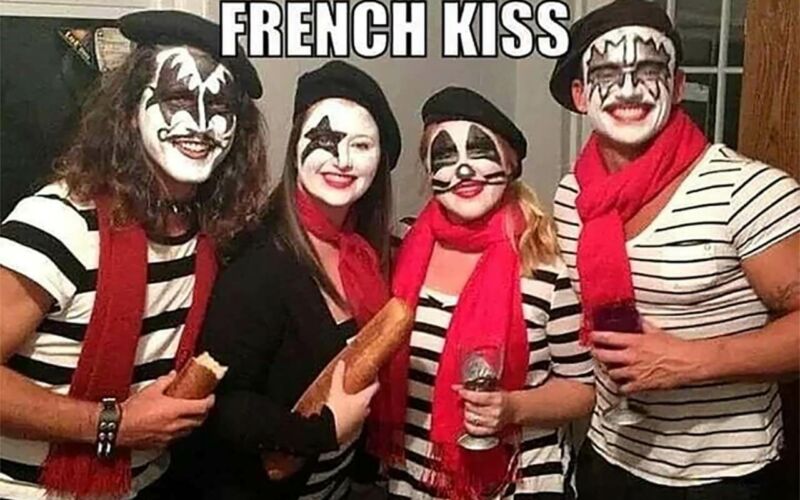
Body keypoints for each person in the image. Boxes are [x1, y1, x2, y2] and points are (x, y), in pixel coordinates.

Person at [0, 10, 268, 499]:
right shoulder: (59, 223)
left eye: (220, 106)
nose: (200, 123)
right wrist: (113, 424)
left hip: (146, 484)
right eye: (178, 98)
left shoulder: (209, 234)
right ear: (128, 110)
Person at [548, 1, 800, 499]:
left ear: (678, 85)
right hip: (610, 458)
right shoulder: (571, 196)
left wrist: (691, 361)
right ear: (579, 95)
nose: (628, 90)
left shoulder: (749, 191)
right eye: (606, 74)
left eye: (649, 70)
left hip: (725, 478)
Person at [371, 87, 595, 499]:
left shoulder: (546, 264)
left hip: (516, 484)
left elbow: (583, 390)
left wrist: (513, 408)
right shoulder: (400, 248)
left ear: (510, 162)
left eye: (479, 151)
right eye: (444, 155)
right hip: (413, 482)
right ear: (428, 170)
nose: (463, 169)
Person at [191, 61, 401, 499]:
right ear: (295, 148)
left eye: (362, 145)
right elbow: (222, 405)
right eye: (324, 140)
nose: (342, 160)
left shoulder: (365, 256)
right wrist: (321, 432)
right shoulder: (260, 262)